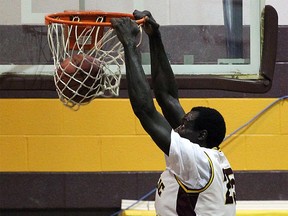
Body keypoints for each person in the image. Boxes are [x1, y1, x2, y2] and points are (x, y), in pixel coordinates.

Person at [111, 10, 236, 216]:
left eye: (185, 124)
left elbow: (145, 110)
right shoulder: (204, 155)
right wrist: (154, 36)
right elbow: (167, 97)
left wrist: (129, 45)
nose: (178, 127)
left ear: (202, 135)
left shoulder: (197, 160)